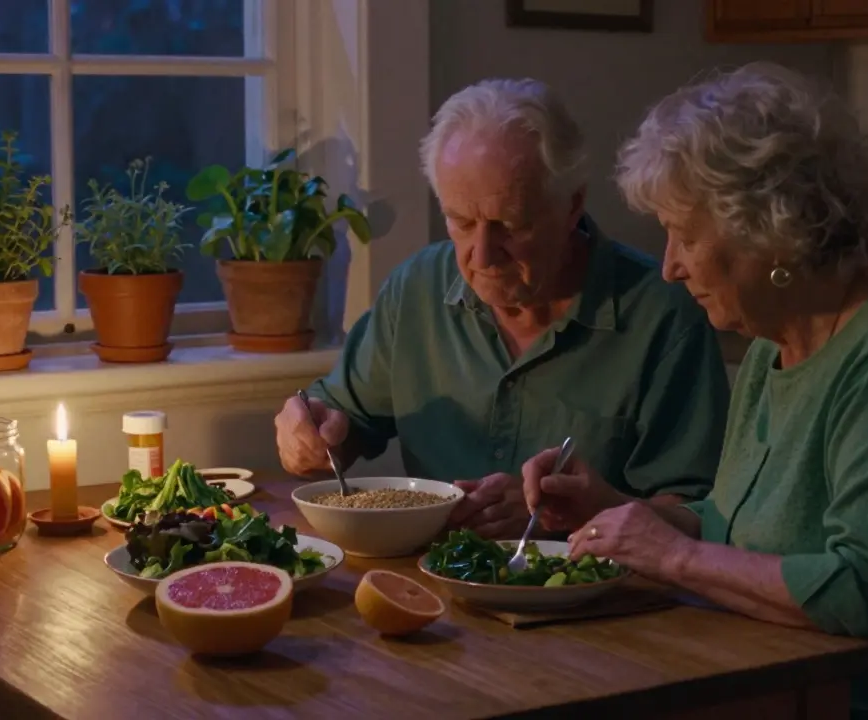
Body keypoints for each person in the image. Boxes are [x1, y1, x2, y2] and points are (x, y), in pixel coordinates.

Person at [523, 63, 868, 719]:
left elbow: (867, 594)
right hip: (770, 686)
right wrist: (615, 513)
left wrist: (672, 556)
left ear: (768, 232)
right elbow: (733, 527)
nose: (671, 267)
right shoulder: (774, 340)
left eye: (686, 236)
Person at [274, 77, 731, 540]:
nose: (482, 255)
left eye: (510, 225)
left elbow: (694, 514)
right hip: (427, 570)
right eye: (461, 222)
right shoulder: (417, 289)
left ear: (572, 205)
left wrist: (567, 515)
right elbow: (345, 420)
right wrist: (314, 433)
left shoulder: (664, 315)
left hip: (589, 579)